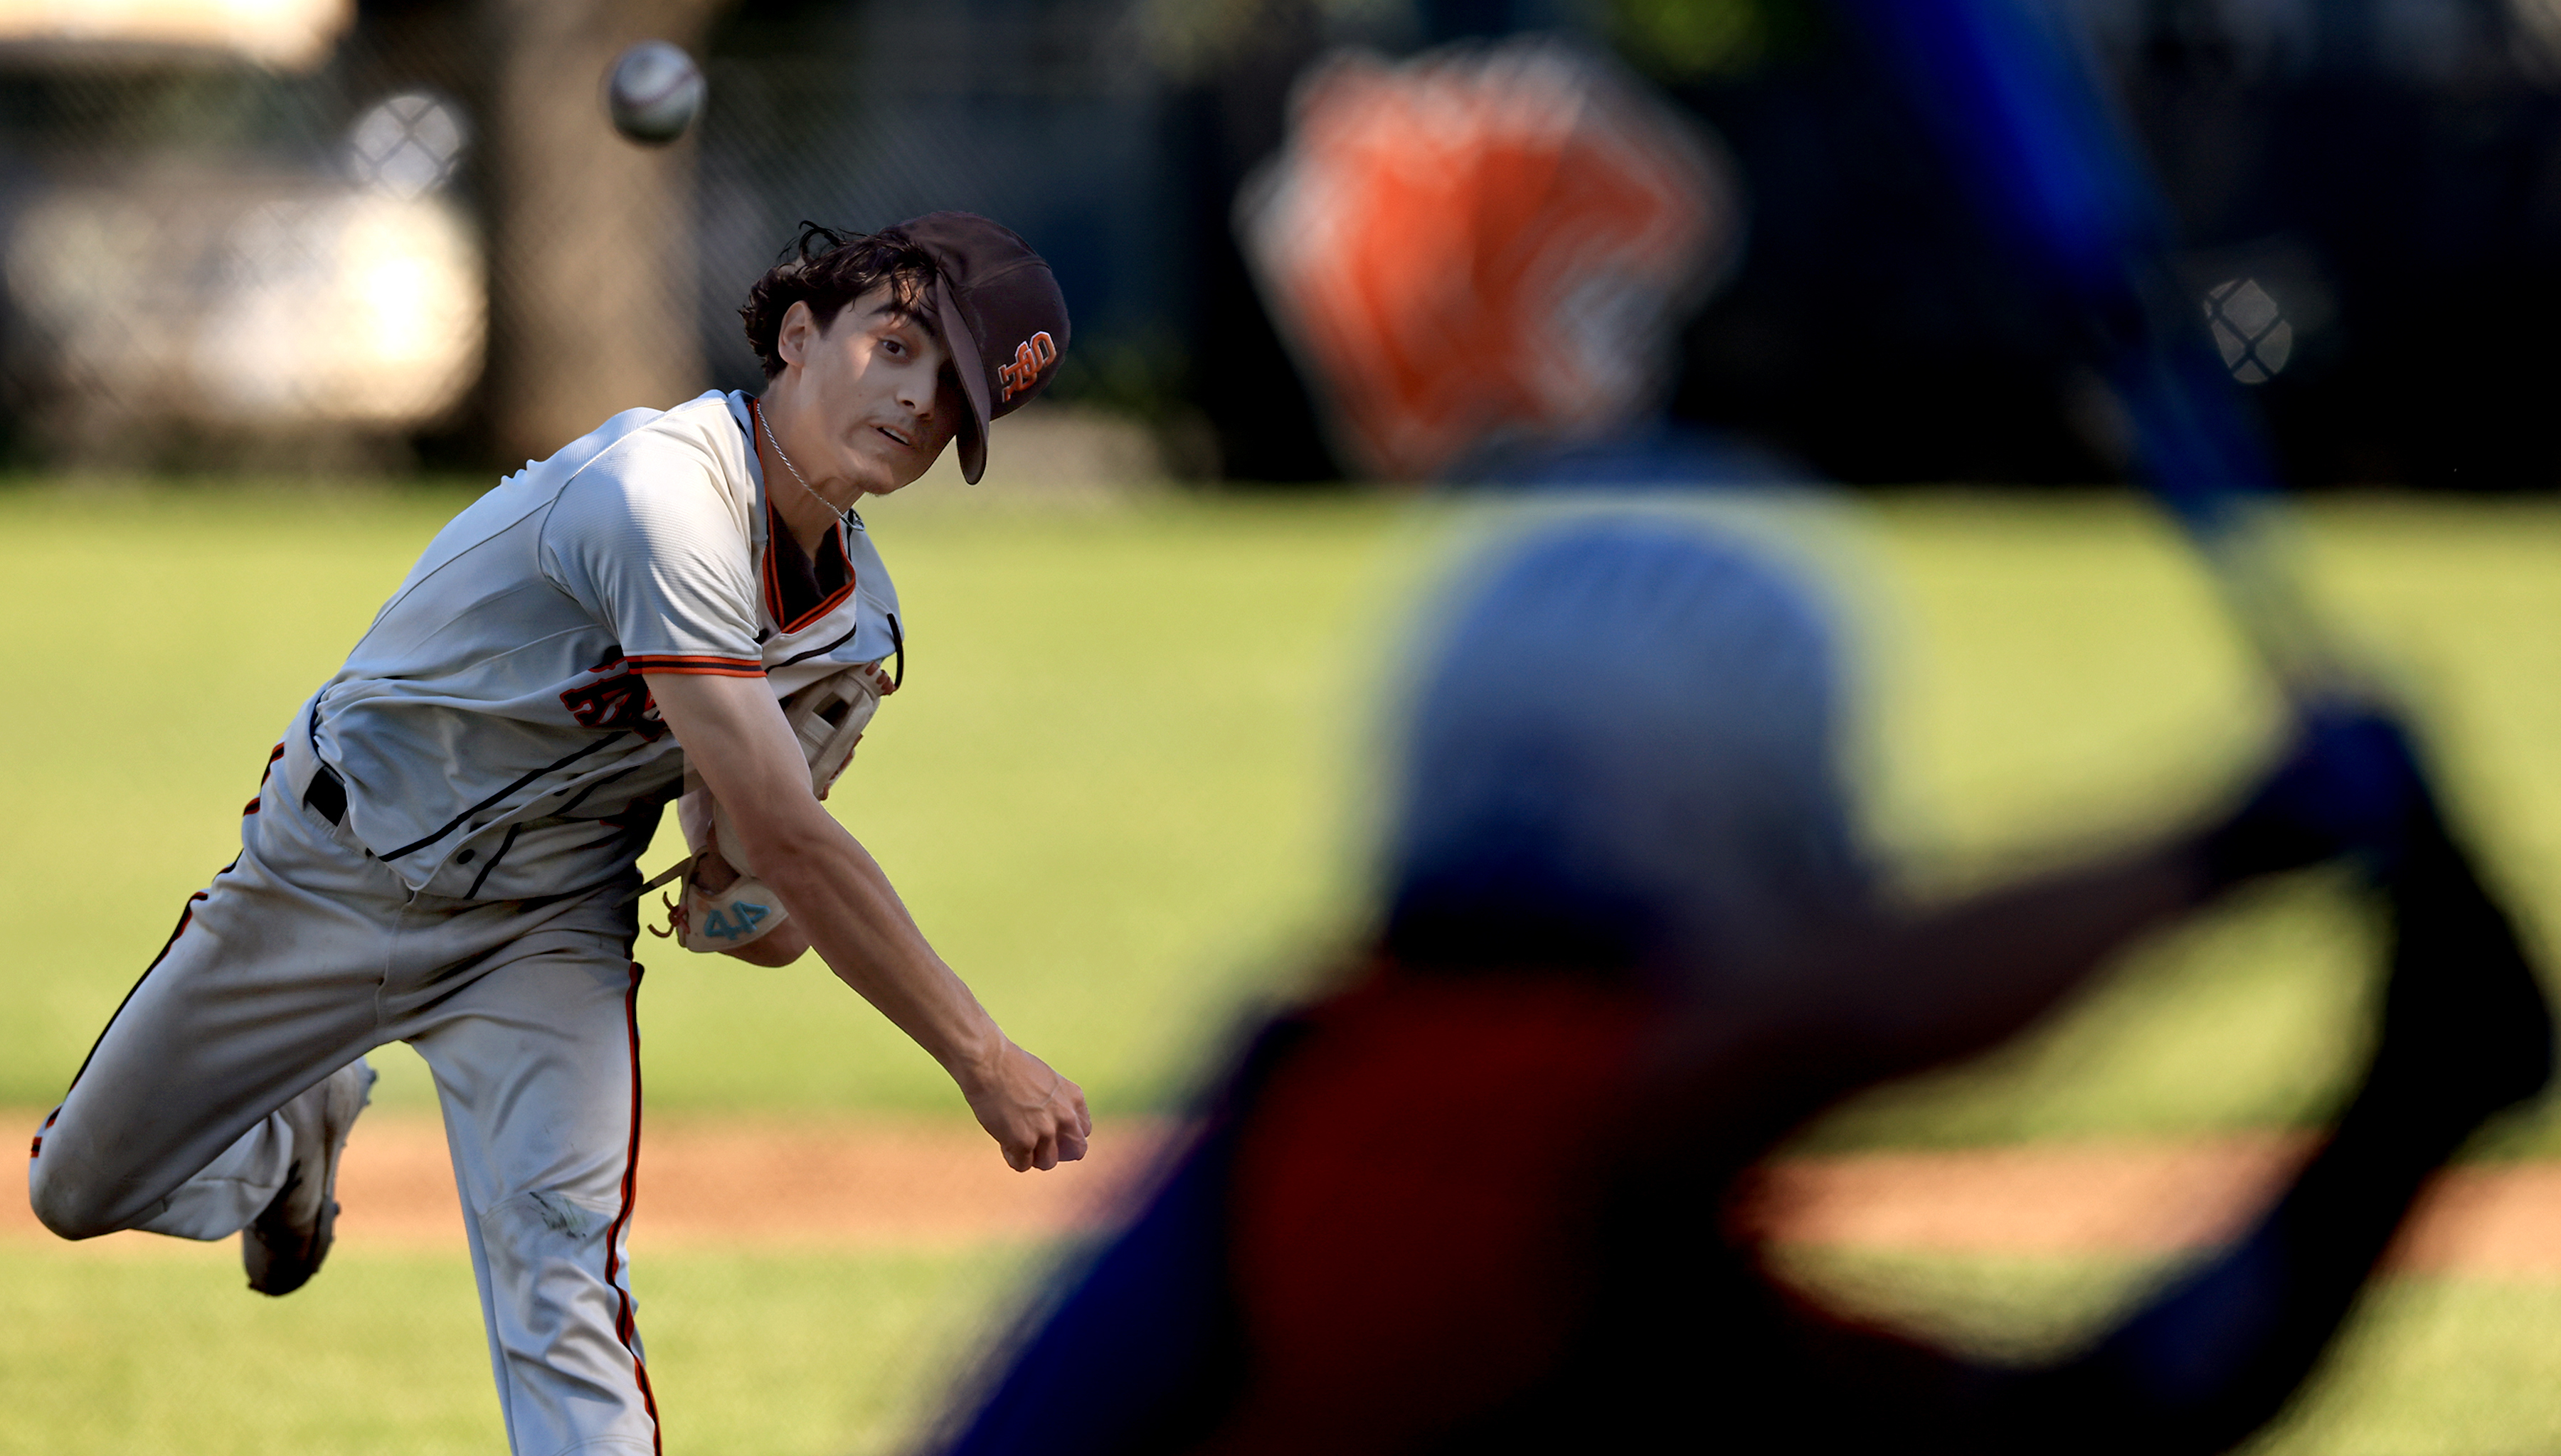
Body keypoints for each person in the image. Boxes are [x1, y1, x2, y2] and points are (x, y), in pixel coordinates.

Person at [932, 511, 2552, 1456]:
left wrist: (2403, 1113)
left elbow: (2110, 1424)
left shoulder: (1599, 1275)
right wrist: (2245, 839)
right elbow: (1826, 1026)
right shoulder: (1391, 1128)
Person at [27, 212, 1094, 1456]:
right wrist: (982, 1054)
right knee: (76, 1192)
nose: (914, 400)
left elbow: (769, 896)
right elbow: (796, 838)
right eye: (896, 343)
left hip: (544, 932)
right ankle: (288, 1140)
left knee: (564, 1284)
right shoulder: (656, 495)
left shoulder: (854, 636)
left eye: (952, 395)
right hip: (330, 871)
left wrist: (736, 899)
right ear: (800, 336)